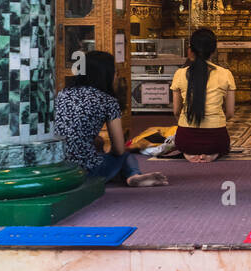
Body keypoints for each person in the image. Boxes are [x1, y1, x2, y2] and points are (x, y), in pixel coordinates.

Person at [55, 50, 167, 188]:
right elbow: (119, 149)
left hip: (59, 168)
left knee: (99, 144)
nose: (116, 75)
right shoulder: (108, 101)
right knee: (124, 156)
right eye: (115, 71)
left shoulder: (63, 94)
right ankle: (133, 175)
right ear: (106, 75)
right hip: (87, 171)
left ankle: (121, 173)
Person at [170, 27, 235, 162]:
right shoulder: (225, 74)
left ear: (191, 50)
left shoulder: (180, 74)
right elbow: (229, 112)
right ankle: (211, 153)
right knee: (221, 145)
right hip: (216, 139)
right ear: (214, 50)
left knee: (183, 144)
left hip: (185, 138)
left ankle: (190, 153)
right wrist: (214, 123)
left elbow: (176, 111)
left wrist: (186, 126)